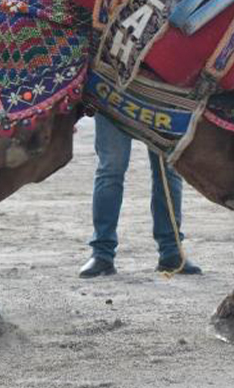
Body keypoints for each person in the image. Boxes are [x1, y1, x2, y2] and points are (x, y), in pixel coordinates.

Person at [78, 114, 201, 278]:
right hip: (112, 98)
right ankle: (101, 254)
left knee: (168, 171)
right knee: (111, 169)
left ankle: (171, 251)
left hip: (160, 96)